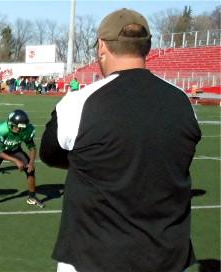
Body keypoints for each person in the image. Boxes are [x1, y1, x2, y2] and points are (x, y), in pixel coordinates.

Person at [40, 9, 201, 272]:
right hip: (164, 258)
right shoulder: (182, 102)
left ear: (102, 46)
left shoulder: (80, 102)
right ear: (147, 46)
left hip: (93, 256)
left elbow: (50, 154)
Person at [0, 109, 44, 211]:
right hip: (1, 150)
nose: (20, 130)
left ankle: (32, 196)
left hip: (15, 149)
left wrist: (31, 162)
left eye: (22, 127)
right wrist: (16, 161)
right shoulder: (1, 129)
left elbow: (32, 147)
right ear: (11, 123)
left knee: (30, 170)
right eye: (17, 127)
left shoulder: (26, 130)